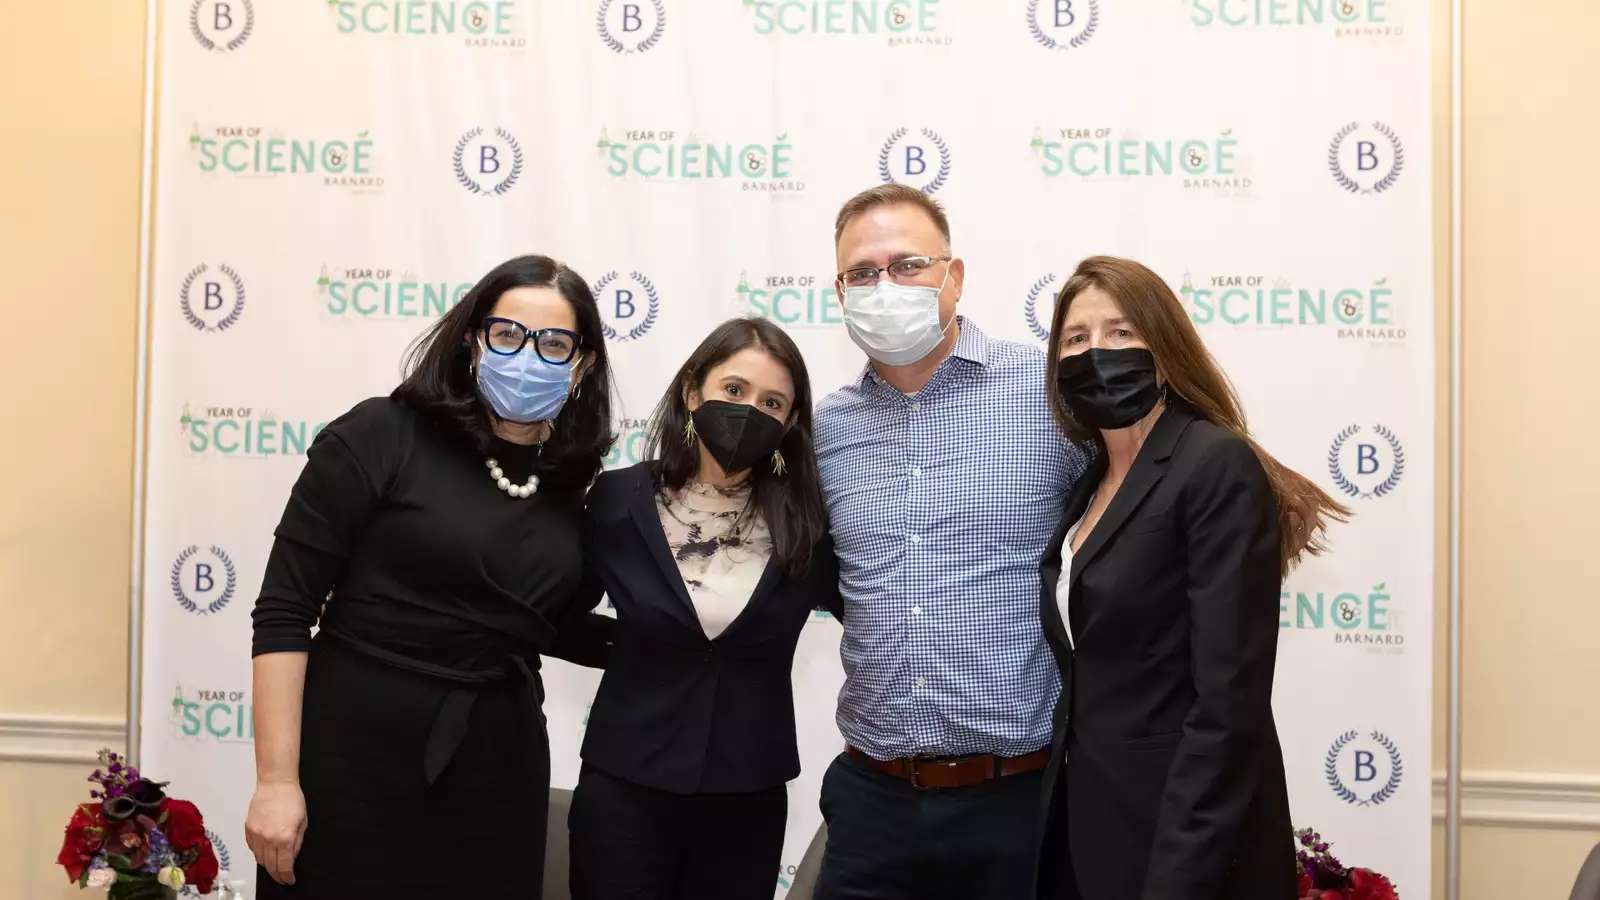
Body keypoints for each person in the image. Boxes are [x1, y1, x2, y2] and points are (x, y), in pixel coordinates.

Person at [244, 255, 614, 898]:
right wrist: (277, 782)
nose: (529, 356)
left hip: (498, 772)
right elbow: (284, 609)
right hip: (353, 759)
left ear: (581, 364)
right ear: (472, 341)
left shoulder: (568, 480)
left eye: (555, 343)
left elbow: (536, 622)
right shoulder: (379, 434)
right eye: (508, 334)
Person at [1035, 256, 1349, 900]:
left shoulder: (1212, 465)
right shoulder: (1090, 484)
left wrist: (1180, 876)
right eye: (1077, 338)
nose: (1097, 351)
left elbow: (1227, 707)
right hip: (1094, 832)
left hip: (1186, 847)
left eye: (1122, 332)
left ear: (1165, 344)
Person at [811, 184, 1088, 900]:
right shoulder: (824, 431)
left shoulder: (1049, 396)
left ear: (954, 276)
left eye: (907, 265)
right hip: (872, 801)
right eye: (863, 273)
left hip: (1018, 802)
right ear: (839, 291)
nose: (885, 286)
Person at [565, 317, 841, 900]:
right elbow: (556, 609)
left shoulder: (811, 524)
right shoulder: (617, 501)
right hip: (624, 788)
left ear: (790, 423)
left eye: (772, 402)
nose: (750, 411)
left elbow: (878, 616)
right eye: (734, 391)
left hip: (746, 796)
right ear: (693, 392)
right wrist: (629, 648)